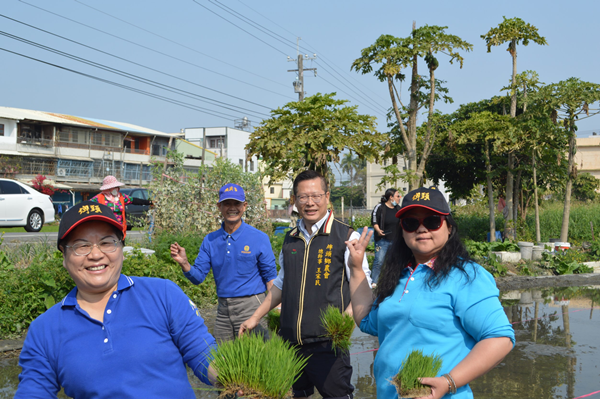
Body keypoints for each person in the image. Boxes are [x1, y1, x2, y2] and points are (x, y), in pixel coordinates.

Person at [16, 201, 217, 398]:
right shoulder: (44, 330)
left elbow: (204, 355)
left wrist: (234, 378)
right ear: (64, 258)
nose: (95, 254)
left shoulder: (163, 294)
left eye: (106, 243)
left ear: (121, 250)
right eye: (81, 245)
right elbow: (33, 391)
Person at [346, 186, 515, 399]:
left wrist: (449, 382)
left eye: (432, 221)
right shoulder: (398, 275)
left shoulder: (466, 276)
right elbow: (368, 321)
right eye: (411, 223)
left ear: (449, 227)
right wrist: (356, 268)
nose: (422, 229)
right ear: (402, 230)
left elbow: (500, 338)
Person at [239, 170, 372, 399]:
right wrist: (255, 317)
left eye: (316, 196)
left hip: (327, 345)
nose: (309, 203)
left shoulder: (347, 236)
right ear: (295, 200)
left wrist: (345, 321)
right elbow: (282, 284)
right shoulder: (291, 238)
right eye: (302, 197)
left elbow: (364, 286)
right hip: (290, 342)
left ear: (327, 197)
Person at [170, 183, 277, 343]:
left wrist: (275, 312)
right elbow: (198, 277)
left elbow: (270, 279)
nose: (232, 208)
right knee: (224, 360)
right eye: (227, 203)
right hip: (223, 311)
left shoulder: (258, 238)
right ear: (219, 206)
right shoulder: (211, 240)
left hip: (252, 305)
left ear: (244, 206)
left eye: (237, 203)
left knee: (255, 359)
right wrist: (185, 263)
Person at [370, 188, 401, 287]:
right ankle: (374, 281)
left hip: (395, 240)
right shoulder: (380, 207)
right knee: (379, 261)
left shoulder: (398, 209)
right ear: (391, 197)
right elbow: (374, 220)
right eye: (397, 196)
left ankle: (391, 281)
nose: (399, 198)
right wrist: (378, 230)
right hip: (382, 240)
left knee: (393, 262)